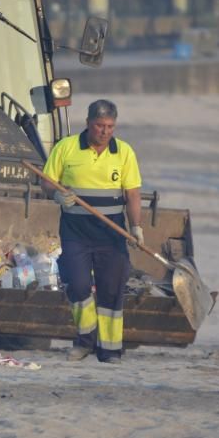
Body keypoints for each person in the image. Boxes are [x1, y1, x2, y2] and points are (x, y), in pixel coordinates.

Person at [41, 99, 142, 364]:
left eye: (110, 126)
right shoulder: (66, 148)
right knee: (78, 284)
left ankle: (110, 350)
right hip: (76, 231)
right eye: (100, 125)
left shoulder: (124, 152)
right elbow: (47, 182)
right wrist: (57, 196)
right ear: (87, 123)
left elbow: (132, 193)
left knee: (111, 290)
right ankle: (85, 341)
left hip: (111, 233)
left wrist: (136, 227)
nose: (105, 131)